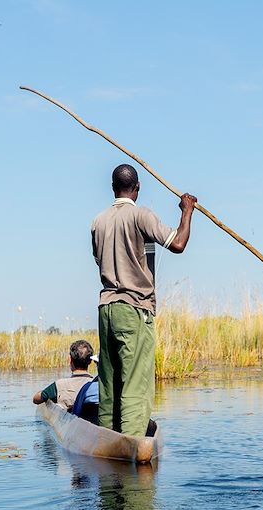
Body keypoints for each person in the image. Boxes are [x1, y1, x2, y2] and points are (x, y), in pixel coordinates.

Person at [90, 163, 197, 436]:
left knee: (109, 381)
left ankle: (105, 440)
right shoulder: (141, 216)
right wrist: (187, 212)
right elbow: (178, 244)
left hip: (106, 310)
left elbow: (99, 260)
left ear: (113, 188)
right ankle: (131, 444)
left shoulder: (98, 221)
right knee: (136, 383)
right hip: (134, 308)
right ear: (137, 188)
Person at [32, 340, 95, 410]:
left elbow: (36, 399)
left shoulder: (59, 385)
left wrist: (41, 393)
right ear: (90, 361)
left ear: (70, 360)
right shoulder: (96, 384)